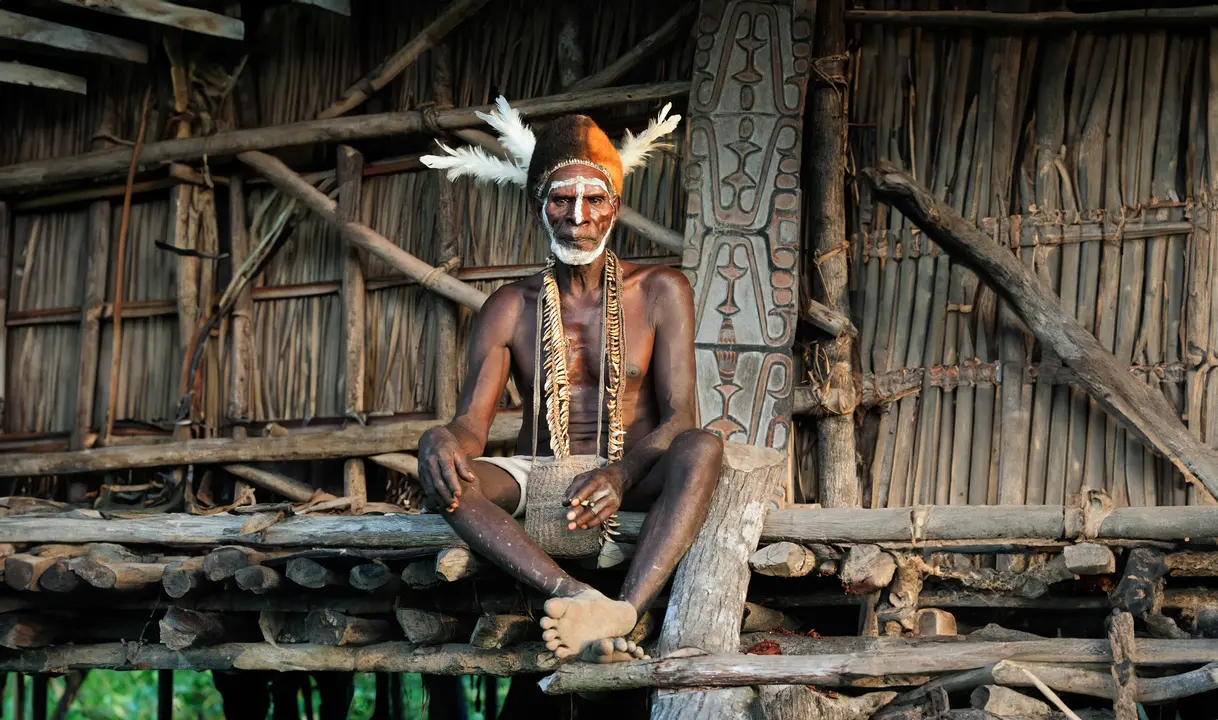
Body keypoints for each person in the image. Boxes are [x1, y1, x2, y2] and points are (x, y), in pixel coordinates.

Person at [418, 101, 722, 664]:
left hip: (635, 471)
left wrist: (621, 473)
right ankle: (578, 596)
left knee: (702, 446)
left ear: (615, 207)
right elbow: (470, 427)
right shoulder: (510, 305)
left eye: (594, 199)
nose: (578, 215)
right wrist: (439, 440)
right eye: (561, 199)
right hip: (540, 476)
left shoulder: (660, 290)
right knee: (448, 482)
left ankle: (624, 607)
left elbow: (681, 418)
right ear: (541, 206)